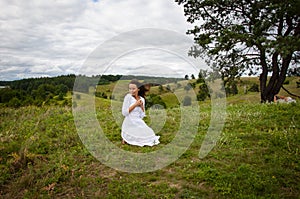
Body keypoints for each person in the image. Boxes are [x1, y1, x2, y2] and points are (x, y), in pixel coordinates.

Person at [121, 79, 160, 147]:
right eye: (130, 89)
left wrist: (141, 106)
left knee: (151, 135)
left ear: (138, 89)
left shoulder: (142, 99)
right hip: (129, 121)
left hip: (138, 121)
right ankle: (126, 138)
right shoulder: (128, 97)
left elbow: (142, 115)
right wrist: (135, 104)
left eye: (133, 89)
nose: (131, 91)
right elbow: (124, 113)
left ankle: (131, 137)